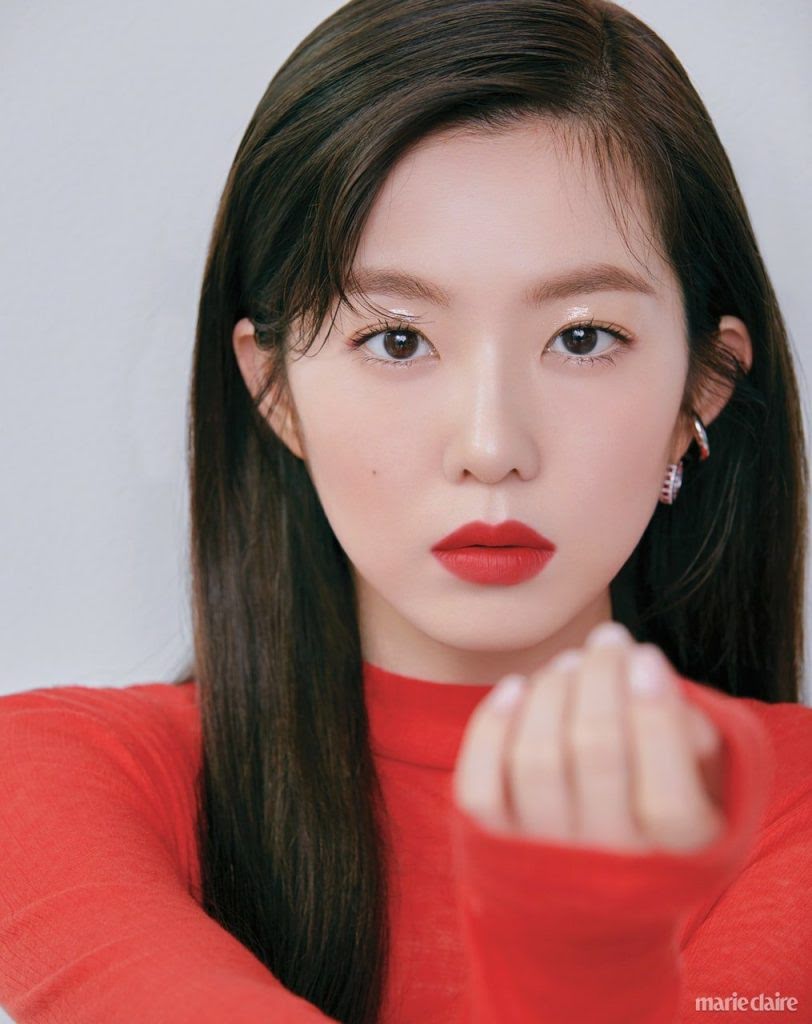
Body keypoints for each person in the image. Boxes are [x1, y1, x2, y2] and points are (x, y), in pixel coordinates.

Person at [1, 1, 809, 1022]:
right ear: (274, 390)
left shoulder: (792, 815)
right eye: (396, 340)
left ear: (702, 385)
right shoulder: (57, 776)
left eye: (580, 337)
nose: (490, 446)